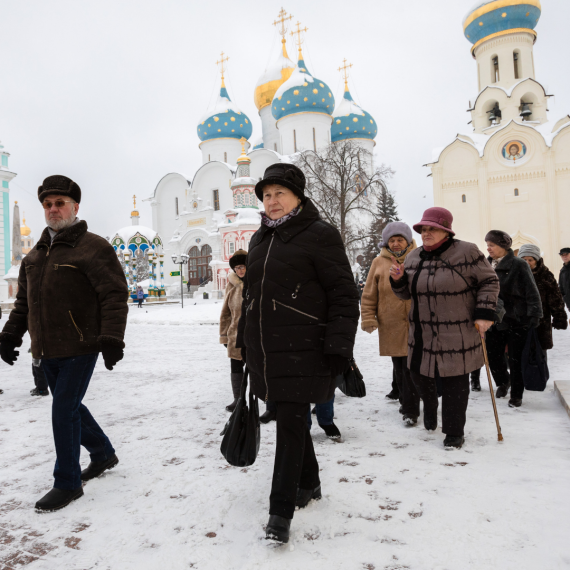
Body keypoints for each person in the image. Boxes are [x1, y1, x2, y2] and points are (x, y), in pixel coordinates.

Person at [236, 163, 359, 543]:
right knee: (291, 419)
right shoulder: (260, 239)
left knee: (290, 424)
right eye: (267, 195)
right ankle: (310, 482)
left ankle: (280, 511)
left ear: (298, 197)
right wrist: (244, 341)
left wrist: (340, 346)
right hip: (267, 349)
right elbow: (252, 296)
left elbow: (342, 293)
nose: (272, 201)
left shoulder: (319, 234)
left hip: (305, 346)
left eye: (280, 194)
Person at [0, 175, 129, 512]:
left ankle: (68, 482)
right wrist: (10, 335)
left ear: (74, 207)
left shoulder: (92, 246)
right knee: (69, 407)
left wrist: (113, 337)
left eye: (60, 203)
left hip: (81, 345)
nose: (53, 209)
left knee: (62, 412)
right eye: (47, 204)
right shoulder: (34, 257)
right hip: (46, 348)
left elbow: (114, 294)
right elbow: (24, 306)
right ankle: (102, 453)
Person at [390, 207, 499, 449]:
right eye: (423, 229)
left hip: (456, 330)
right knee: (418, 374)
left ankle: (453, 431)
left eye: (432, 229)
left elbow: (489, 281)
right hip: (421, 331)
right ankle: (430, 407)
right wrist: (397, 280)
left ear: (446, 231)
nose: (426, 233)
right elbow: (405, 294)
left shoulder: (467, 251)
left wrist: (484, 313)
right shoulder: (413, 256)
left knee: (454, 382)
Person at [361, 221, 419, 425]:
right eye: (392, 240)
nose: (396, 243)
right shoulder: (379, 262)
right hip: (391, 323)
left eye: (400, 239)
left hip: (417, 322)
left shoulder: (419, 258)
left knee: (414, 367)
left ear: (408, 240)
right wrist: (368, 317)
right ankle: (407, 402)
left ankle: (411, 408)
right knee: (401, 367)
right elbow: (369, 294)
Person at [485, 231, 542, 408]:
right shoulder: (485, 264)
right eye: (487, 244)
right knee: (493, 356)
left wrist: (534, 314)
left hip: (516, 318)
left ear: (503, 247)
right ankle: (503, 382)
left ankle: (517, 394)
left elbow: (532, 290)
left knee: (516, 359)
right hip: (493, 318)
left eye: (492, 245)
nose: (488, 248)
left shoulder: (519, 264)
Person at [518, 244, 567, 355]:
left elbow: (555, 299)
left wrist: (559, 317)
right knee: (519, 354)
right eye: (524, 259)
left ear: (537, 260)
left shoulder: (545, 276)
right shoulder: (515, 275)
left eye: (530, 259)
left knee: (538, 353)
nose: (527, 262)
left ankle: (540, 371)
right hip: (519, 321)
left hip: (541, 320)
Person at [219, 249, 248, 412]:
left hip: (254, 336)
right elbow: (225, 313)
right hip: (235, 335)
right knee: (236, 368)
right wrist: (224, 337)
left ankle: (270, 402)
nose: (240, 270)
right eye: (237, 267)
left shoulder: (257, 282)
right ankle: (238, 399)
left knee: (260, 370)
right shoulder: (232, 285)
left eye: (243, 266)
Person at [558, 247, 570, 311]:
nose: (565, 256)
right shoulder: (563, 271)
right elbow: (561, 287)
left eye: (567, 254)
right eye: (562, 255)